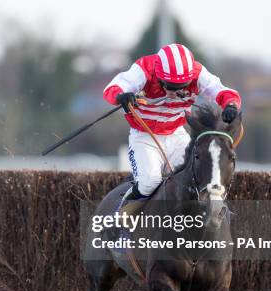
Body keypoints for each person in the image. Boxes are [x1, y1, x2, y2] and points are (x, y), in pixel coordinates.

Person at [103, 43, 241, 201]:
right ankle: (121, 216)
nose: (175, 93)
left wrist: (231, 105)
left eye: (181, 87)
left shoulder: (197, 73)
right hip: (144, 137)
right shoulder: (145, 68)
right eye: (171, 86)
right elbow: (113, 88)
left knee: (197, 177)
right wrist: (121, 95)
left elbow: (222, 90)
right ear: (159, 76)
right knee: (149, 183)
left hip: (177, 135)